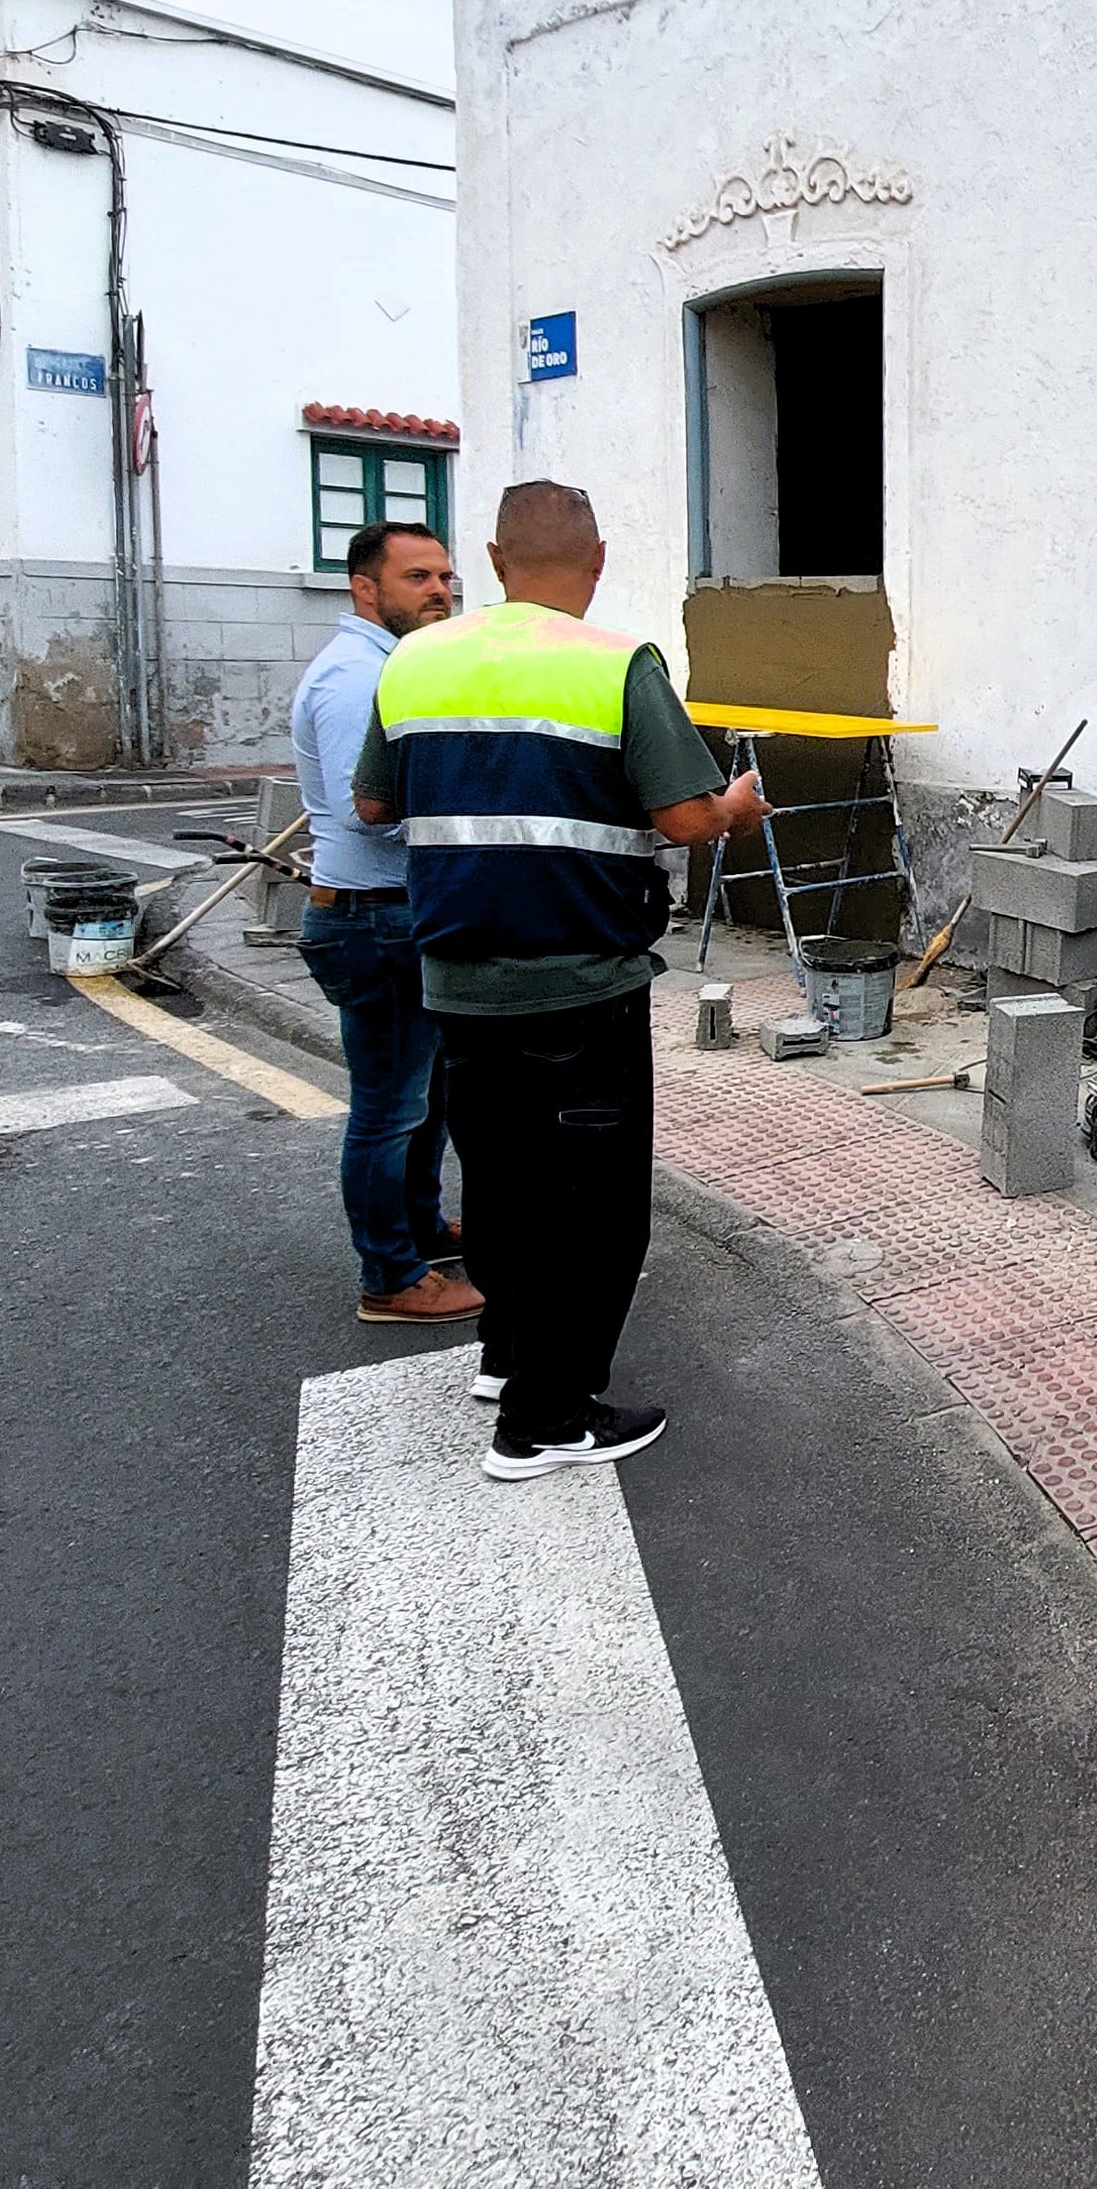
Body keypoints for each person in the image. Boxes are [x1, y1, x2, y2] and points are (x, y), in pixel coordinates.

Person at [354, 481, 766, 1480]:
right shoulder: (615, 662)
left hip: (456, 981)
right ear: (598, 558)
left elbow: (373, 801)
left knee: (497, 1182)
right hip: (581, 985)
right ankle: (546, 1419)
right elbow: (683, 815)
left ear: (494, 558)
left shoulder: (415, 661)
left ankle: (506, 1358)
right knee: (592, 1209)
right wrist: (736, 806)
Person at [291, 520, 479, 1329]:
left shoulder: (394, 668)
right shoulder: (352, 682)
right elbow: (361, 811)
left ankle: (420, 1228)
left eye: (444, 576)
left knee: (425, 1095)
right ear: (364, 588)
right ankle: (389, 1275)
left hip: (398, 916)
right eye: (417, 578)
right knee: (389, 1106)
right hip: (372, 920)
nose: (440, 591)